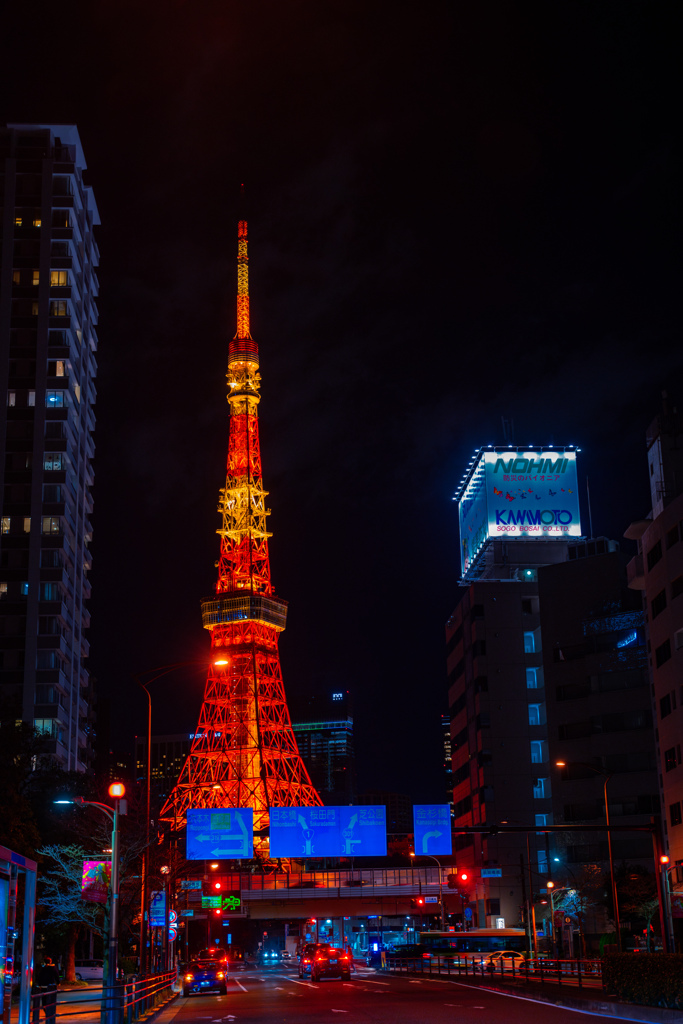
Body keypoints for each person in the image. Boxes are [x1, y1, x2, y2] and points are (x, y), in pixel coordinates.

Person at [33, 958, 59, 1024]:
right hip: (51, 987)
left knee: (44, 1001)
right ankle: (50, 1014)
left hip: (43, 986)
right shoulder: (53, 968)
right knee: (51, 1001)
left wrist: (39, 985)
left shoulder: (43, 968)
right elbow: (56, 976)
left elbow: (39, 977)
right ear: (50, 961)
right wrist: (58, 983)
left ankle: (46, 1012)